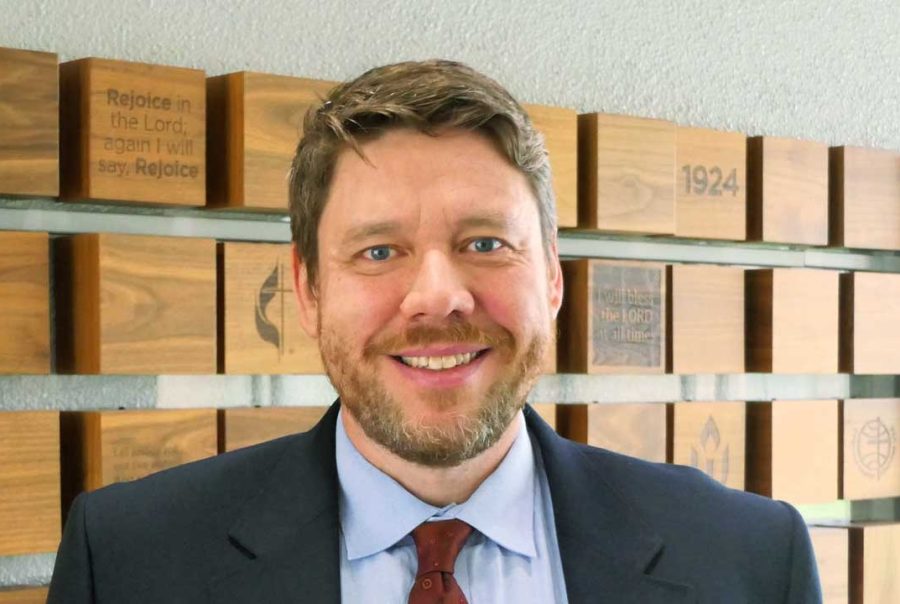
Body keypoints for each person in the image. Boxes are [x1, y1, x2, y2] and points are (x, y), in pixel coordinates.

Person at [48, 60, 821, 603]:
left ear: (552, 277)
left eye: (485, 243)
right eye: (379, 251)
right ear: (307, 292)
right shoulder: (129, 562)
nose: (438, 297)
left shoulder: (749, 560)